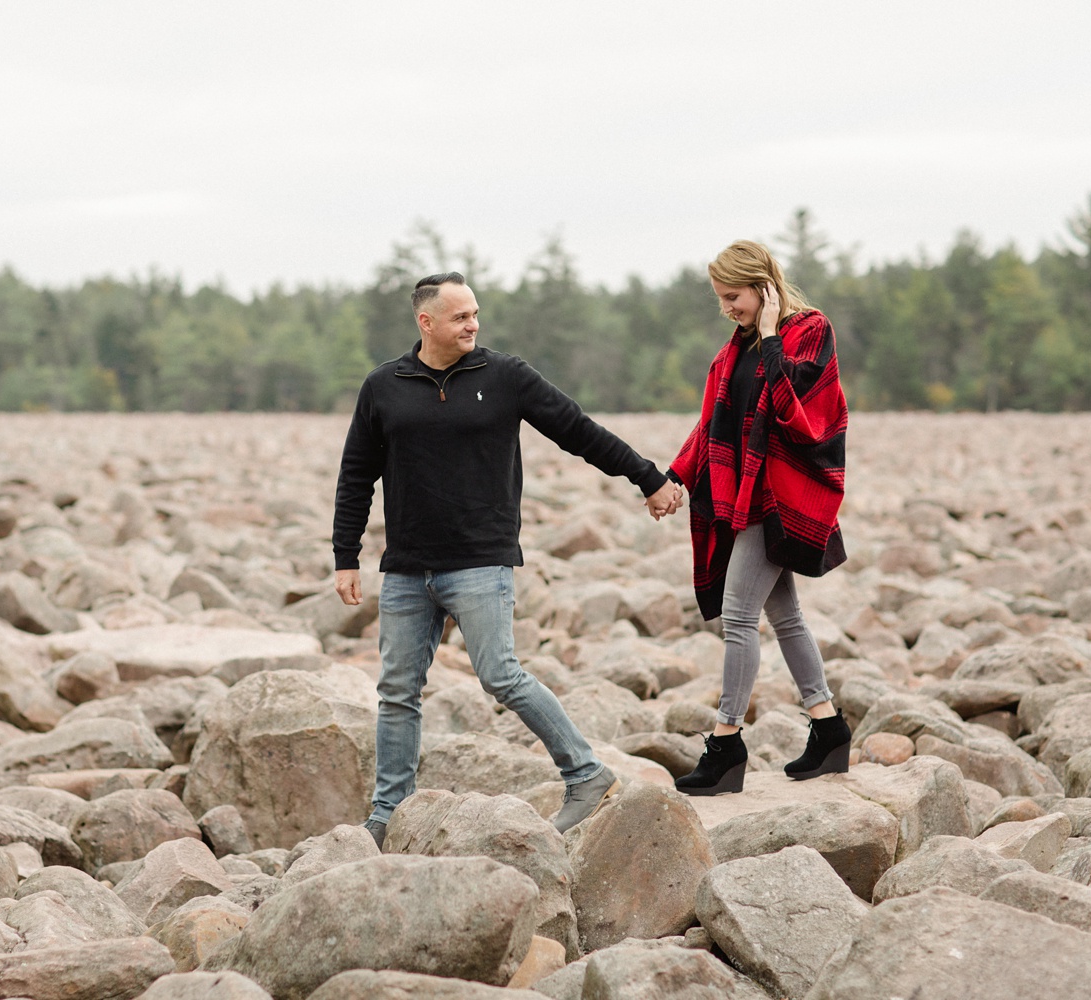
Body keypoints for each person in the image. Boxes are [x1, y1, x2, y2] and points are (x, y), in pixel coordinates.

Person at [332, 271, 682, 846]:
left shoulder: (505, 377)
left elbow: (579, 431)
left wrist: (647, 477)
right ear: (426, 323)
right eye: (460, 316)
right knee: (397, 690)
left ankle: (587, 774)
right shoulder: (384, 386)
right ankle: (388, 811)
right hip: (405, 566)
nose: (473, 324)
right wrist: (347, 555)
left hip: (479, 560)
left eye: (475, 314)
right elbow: (355, 475)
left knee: (500, 674)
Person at [665, 240, 851, 796]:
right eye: (720, 299)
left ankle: (725, 746)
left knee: (738, 614)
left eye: (735, 296)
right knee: (784, 615)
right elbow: (710, 426)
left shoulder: (810, 330)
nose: (728, 308)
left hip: (785, 495)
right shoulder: (732, 353)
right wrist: (674, 477)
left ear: (764, 285)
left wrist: (771, 334)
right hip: (744, 493)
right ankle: (829, 728)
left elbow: (802, 415)